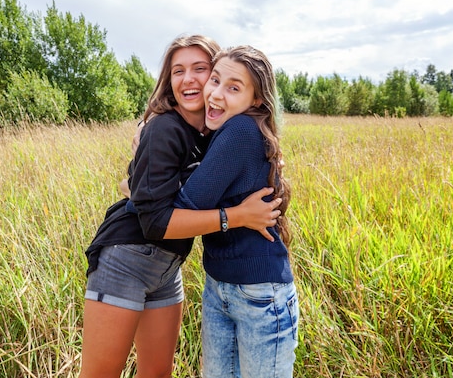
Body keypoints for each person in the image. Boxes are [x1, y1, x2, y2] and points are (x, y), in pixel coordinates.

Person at [79, 35, 283, 378]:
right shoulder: (164, 128)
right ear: (168, 81)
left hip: (168, 266)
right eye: (177, 71)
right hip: (126, 257)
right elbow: (154, 221)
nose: (188, 79)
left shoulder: (212, 133)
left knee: (158, 373)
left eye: (200, 69)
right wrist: (237, 217)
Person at [173, 45, 299, 377]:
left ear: (256, 100)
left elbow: (186, 206)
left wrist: (135, 189)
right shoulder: (224, 131)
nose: (215, 94)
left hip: (258, 295)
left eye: (234, 88)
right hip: (220, 286)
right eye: (215, 80)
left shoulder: (241, 130)